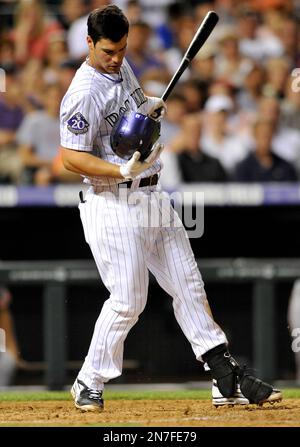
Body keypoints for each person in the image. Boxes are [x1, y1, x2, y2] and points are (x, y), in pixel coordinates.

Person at [60, 5, 282, 412]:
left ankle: (222, 374)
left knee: (188, 284)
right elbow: (70, 157)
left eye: (121, 49)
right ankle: (88, 381)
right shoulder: (83, 91)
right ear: (89, 43)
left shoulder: (123, 68)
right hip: (111, 201)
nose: (115, 58)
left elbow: (127, 121)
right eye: (107, 51)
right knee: (129, 300)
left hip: (151, 195)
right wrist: (119, 169)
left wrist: (148, 108)